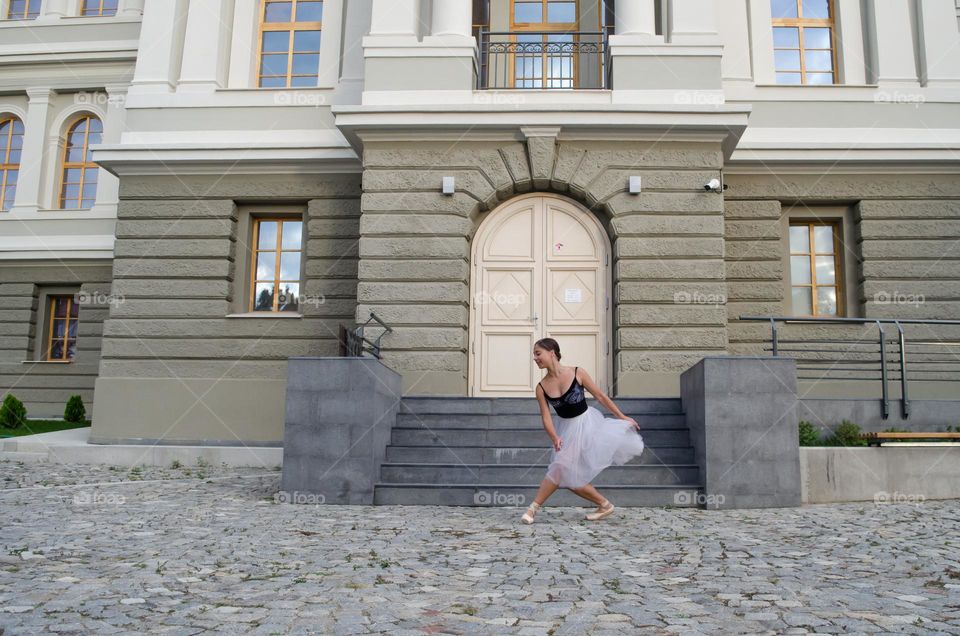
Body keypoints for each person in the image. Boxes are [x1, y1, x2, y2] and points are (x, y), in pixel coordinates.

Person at [521, 338, 645, 524]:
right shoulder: (541, 388)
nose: (535, 358)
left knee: (561, 468)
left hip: (587, 425)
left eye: (538, 353)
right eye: (534, 354)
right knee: (567, 474)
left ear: (552, 353)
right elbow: (546, 417)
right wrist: (554, 437)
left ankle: (532, 509)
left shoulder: (577, 372)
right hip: (566, 430)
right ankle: (604, 505)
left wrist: (621, 416)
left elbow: (600, 396)